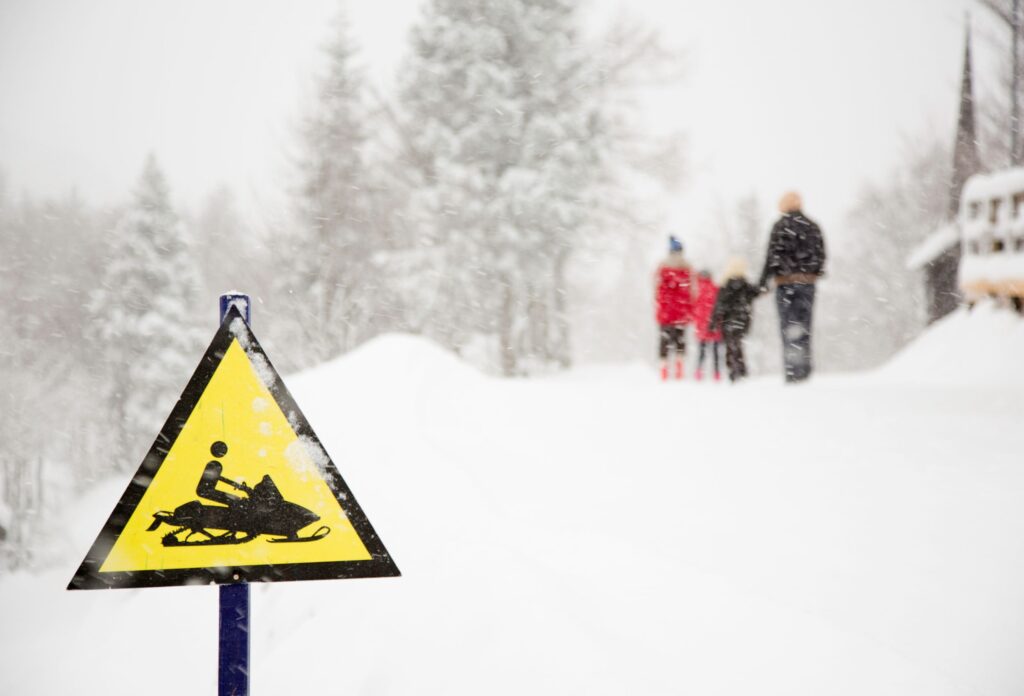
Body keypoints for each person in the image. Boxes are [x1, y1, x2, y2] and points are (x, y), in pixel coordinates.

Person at [758, 191, 826, 383]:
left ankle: (792, 371)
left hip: (785, 284)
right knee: (804, 327)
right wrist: (814, 271)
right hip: (807, 284)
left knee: (788, 328)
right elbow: (821, 255)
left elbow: (771, 257)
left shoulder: (780, 227)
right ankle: (804, 369)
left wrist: (763, 283)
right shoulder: (812, 226)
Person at [710, 258, 761, 382]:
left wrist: (713, 322)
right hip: (742, 321)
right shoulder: (746, 285)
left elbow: (719, 305)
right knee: (737, 344)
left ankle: (733, 369)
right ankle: (741, 369)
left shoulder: (726, 286)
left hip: (728, 322)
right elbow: (758, 292)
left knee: (731, 345)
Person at [654, 236, 694, 380]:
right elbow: (692, 292)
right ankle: (679, 369)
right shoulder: (687, 268)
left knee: (664, 342)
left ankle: (664, 370)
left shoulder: (662, 268)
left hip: (665, 313)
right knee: (680, 341)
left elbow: (656, 290)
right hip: (681, 313)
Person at [692, 270, 722, 381]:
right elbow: (719, 307)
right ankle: (716, 374)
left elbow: (694, 309)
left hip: (702, 328)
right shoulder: (715, 289)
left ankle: (698, 373)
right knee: (715, 353)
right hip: (714, 326)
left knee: (702, 353)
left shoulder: (697, 290)